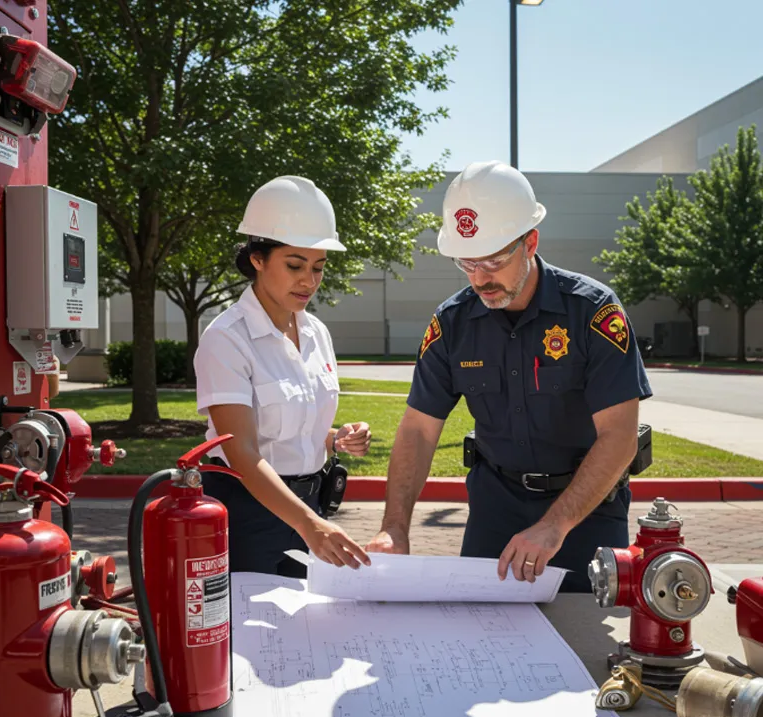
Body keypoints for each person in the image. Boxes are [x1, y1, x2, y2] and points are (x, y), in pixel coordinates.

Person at [366, 161, 652, 593]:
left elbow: (619, 437)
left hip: (586, 510)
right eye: (467, 263)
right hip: (494, 510)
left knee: (580, 627)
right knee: (480, 625)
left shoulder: (592, 312)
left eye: (494, 260)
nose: (480, 279)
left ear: (530, 242)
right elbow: (418, 430)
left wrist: (554, 526)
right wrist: (394, 527)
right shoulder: (452, 324)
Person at [194, 175, 372, 577]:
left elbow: (291, 428)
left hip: (310, 508)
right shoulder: (226, 338)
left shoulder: (316, 333)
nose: (309, 281)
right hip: (248, 514)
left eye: (319, 268)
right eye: (294, 265)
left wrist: (334, 438)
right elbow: (242, 452)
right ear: (258, 259)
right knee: (247, 617)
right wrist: (309, 525)